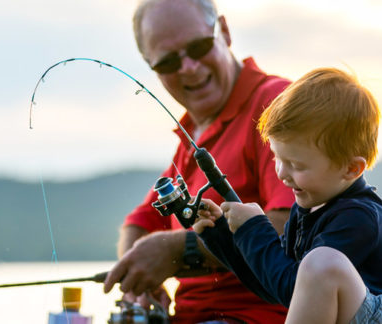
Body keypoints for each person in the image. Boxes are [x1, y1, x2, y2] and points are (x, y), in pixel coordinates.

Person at [103, 0, 295, 323]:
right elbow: (139, 225)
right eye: (167, 62)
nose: (188, 67)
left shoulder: (275, 105)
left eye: (199, 46)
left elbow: (291, 227)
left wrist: (179, 251)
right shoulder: (192, 137)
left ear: (226, 32)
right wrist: (140, 279)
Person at [193, 67, 382, 324]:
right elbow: (273, 287)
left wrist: (254, 228)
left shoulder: (360, 216)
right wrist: (221, 234)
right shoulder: (308, 210)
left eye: (297, 165)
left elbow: (292, 288)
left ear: (351, 168)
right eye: (277, 159)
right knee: (314, 265)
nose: (281, 174)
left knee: (321, 262)